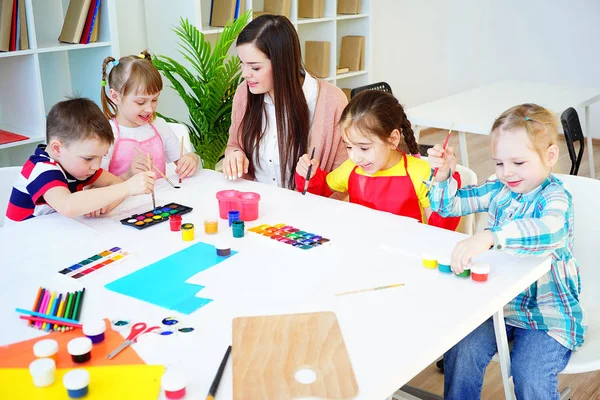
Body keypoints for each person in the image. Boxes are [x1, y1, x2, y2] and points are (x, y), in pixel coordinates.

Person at [428, 103, 586, 399]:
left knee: (529, 372)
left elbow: (551, 230)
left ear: (550, 156)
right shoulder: (498, 189)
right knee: (461, 349)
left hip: (546, 314)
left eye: (518, 163)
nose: (507, 173)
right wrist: (443, 175)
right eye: (499, 163)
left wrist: (490, 236)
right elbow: (448, 206)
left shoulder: (555, 197)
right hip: (498, 305)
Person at [295, 90, 461, 230]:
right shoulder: (352, 168)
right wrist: (307, 173)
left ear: (393, 139)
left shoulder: (420, 173)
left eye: (364, 148)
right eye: (349, 147)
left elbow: (441, 230)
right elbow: (320, 190)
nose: (355, 157)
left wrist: (445, 181)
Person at [223, 15, 348, 190]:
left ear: (283, 63)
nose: (245, 73)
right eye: (242, 64)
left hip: (310, 211)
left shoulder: (331, 101)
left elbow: (344, 179)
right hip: (258, 207)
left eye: (255, 67)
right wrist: (234, 154)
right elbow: (234, 144)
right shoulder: (245, 92)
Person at [6, 98, 155, 222]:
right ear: (57, 148)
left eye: (101, 157)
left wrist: (106, 204)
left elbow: (115, 182)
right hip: (23, 245)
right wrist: (127, 188)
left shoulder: (79, 166)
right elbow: (68, 205)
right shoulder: (42, 169)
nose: (96, 166)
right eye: (89, 158)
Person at [100, 50, 199, 180]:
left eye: (154, 100)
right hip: (125, 200)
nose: (149, 109)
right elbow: (97, 186)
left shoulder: (159, 125)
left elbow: (183, 158)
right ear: (115, 97)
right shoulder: (106, 135)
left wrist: (191, 159)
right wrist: (128, 175)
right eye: (140, 102)